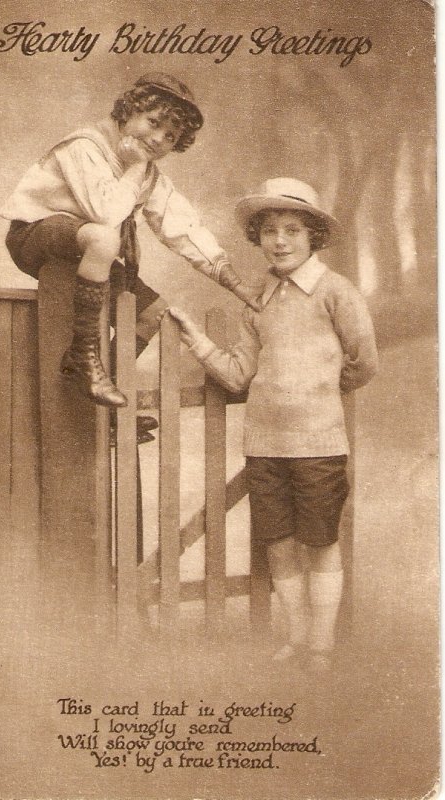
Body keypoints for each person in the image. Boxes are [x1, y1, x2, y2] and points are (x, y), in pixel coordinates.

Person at [168, 178, 378, 671]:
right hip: (264, 446)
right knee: (279, 546)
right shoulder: (258, 299)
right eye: (268, 231)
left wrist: (319, 389)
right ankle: (298, 639)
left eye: (291, 230)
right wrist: (198, 341)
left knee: (320, 543)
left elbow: (363, 362)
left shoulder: (335, 291)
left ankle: (321, 647)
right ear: (257, 238)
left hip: (319, 445)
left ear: (313, 238)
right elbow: (239, 373)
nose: (279, 241)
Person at [0, 72, 259, 433]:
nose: (158, 138)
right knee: (104, 238)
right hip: (35, 236)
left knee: (154, 314)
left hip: (87, 254)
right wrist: (135, 169)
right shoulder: (85, 146)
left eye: (171, 136)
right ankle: (83, 354)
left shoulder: (148, 175)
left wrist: (236, 284)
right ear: (128, 110)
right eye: (153, 122)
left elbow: (184, 230)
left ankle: (99, 406)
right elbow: (105, 213)